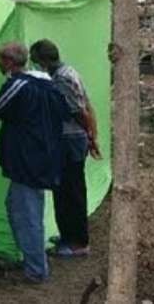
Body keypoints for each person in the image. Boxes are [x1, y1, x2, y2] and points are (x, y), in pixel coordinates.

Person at [0, 42, 70, 283]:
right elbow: (65, 112)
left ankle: (36, 270)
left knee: (26, 213)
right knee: (22, 208)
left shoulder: (19, 85)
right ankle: (31, 261)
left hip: (27, 160)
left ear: (8, 62)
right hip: (44, 157)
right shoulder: (49, 85)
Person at [30, 39, 101, 258]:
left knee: (72, 192)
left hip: (70, 141)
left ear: (42, 60)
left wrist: (90, 136)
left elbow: (79, 111)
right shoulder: (67, 72)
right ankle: (68, 236)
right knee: (63, 190)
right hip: (69, 140)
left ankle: (79, 242)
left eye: (35, 61)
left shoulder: (62, 79)